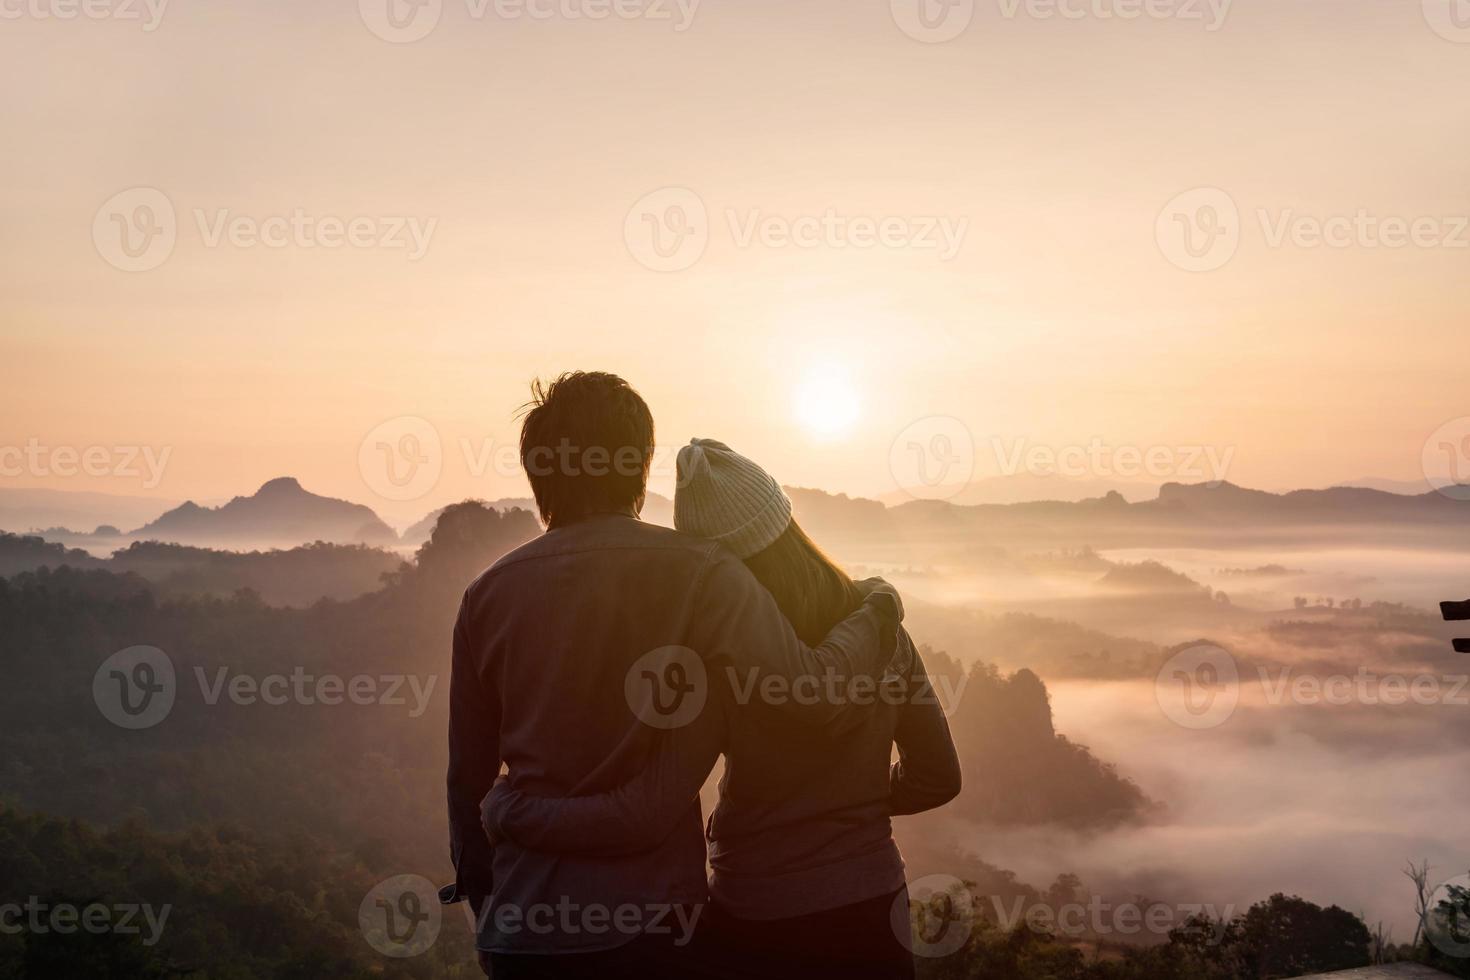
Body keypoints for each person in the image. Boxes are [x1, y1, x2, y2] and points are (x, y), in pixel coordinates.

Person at [446, 374, 905, 979]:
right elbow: (806, 691)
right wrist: (875, 614)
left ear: (538, 473)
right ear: (640, 466)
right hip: (654, 930)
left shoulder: (486, 596)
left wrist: (492, 907)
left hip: (523, 933)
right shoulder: (704, 572)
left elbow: (467, 780)